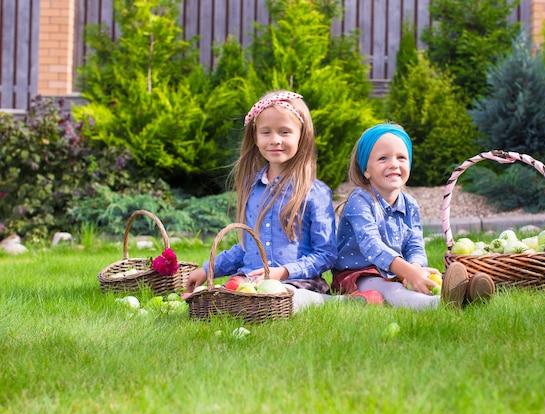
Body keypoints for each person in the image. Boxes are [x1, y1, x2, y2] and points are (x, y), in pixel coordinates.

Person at [186, 90, 376, 312]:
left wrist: (284, 272)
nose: (275, 140)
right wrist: (207, 270)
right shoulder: (251, 187)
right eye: (266, 132)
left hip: (297, 283)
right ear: (255, 138)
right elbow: (246, 248)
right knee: (223, 296)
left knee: (286, 296)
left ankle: (341, 302)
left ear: (301, 136)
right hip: (253, 283)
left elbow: (325, 254)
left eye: (285, 132)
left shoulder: (314, 192)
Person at [332, 123, 495, 310]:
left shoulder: (409, 204)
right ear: (366, 170)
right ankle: (438, 304)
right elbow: (372, 246)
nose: (394, 164)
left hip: (396, 270)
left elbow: (415, 245)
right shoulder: (360, 201)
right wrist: (408, 271)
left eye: (401, 157)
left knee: (427, 279)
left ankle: (466, 291)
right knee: (391, 290)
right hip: (359, 274)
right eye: (383, 158)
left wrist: (416, 267)